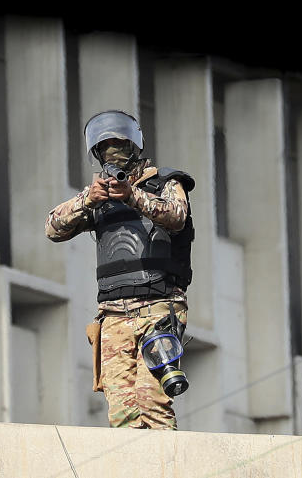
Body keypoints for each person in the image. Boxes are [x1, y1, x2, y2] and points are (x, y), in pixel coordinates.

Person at [45, 110, 195, 429]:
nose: (113, 153)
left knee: (152, 401)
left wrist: (134, 197)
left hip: (158, 308)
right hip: (113, 314)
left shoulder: (166, 182)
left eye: (120, 145)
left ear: (134, 146)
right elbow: (53, 228)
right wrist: (88, 199)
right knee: (122, 410)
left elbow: (176, 216)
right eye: (106, 147)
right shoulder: (99, 197)